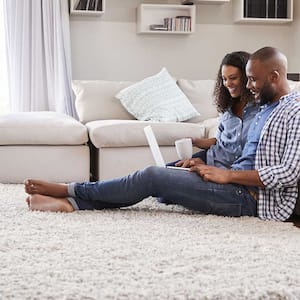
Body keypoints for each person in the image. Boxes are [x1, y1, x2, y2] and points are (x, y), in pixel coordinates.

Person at [25, 47, 300, 221]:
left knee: (153, 177)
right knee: (155, 176)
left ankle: (70, 191)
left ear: (275, 77)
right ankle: (72, 201)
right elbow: (242, 151)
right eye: (247, 79)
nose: (249, 86)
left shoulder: (293, 111)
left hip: (250, 198)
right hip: (234, 185)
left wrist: (227, 174)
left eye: (252, 79)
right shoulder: (267, 108)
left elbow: (289, 172)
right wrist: (211, 163)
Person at [173, 51, 258, 170]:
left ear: (247, 78)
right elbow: (220, 141)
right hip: (210, 158)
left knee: (152, 176)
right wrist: (196, 141)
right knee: (163, 170)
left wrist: (208, 168)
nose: (227, 84)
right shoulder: (227, 109)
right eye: (224, 79)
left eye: (233, 78)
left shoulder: (260, 111)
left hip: (221, 171)